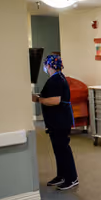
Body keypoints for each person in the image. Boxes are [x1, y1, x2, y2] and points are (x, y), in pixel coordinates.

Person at [32, 55, 79, 190]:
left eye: (46, 65)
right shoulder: (56, 79)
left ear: (49, 65)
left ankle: (71, 178)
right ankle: (61, 176)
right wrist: (40, 97)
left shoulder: (56, 80)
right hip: (56, 121)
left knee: (63, 149)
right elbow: (50, 95)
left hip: (60, 121)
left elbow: (55, 100)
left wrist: (37, 100)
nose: (45, 68)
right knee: (58, 150)